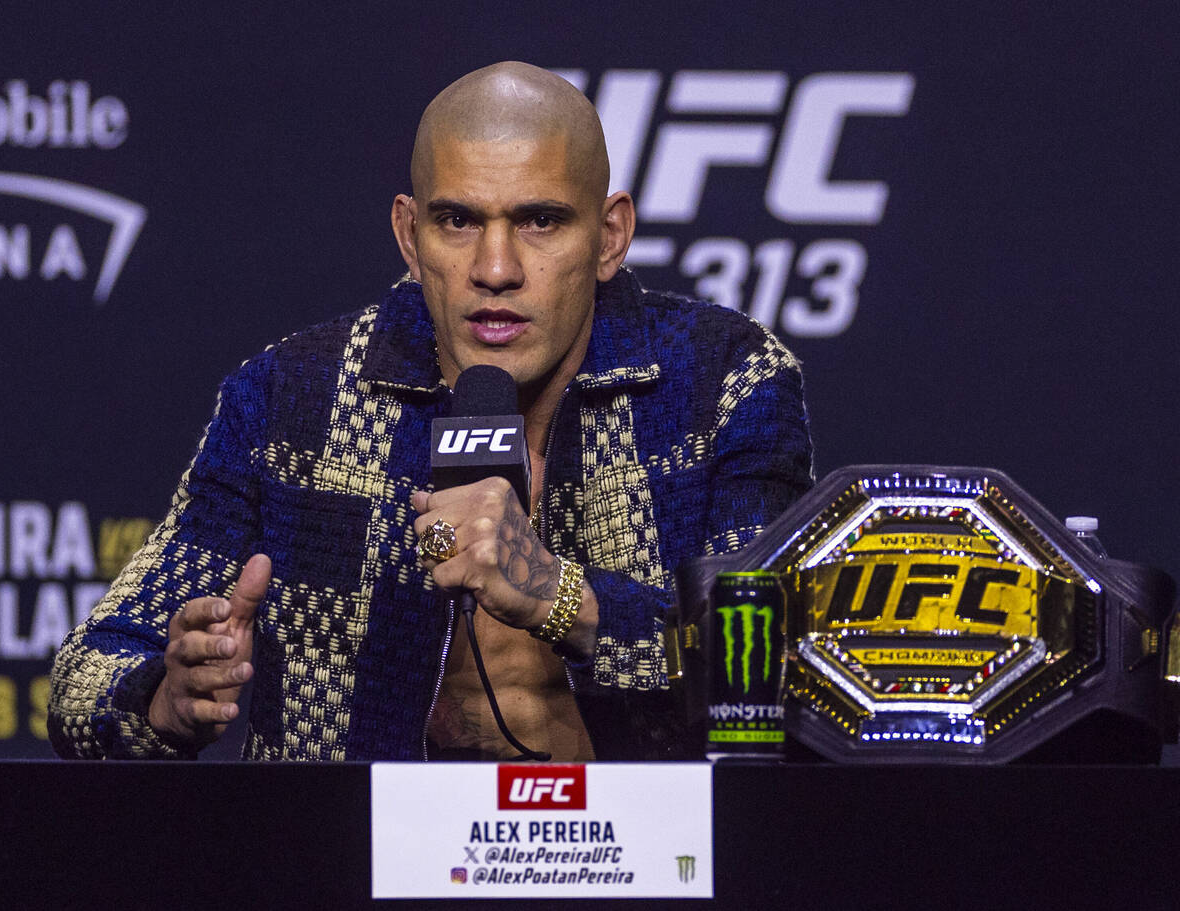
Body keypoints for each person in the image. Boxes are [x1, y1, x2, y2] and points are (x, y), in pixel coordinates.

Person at [48, 62, 814, 762]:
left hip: (642, 847)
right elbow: (82, 680)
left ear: (610, 236)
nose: (495, 269)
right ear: (410, 236)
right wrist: (165, 699)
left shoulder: (722, 382)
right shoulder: (292, 398)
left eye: (540, 220)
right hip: (351, 849)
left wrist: (558, 593)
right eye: (458, 221)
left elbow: (784, 670)